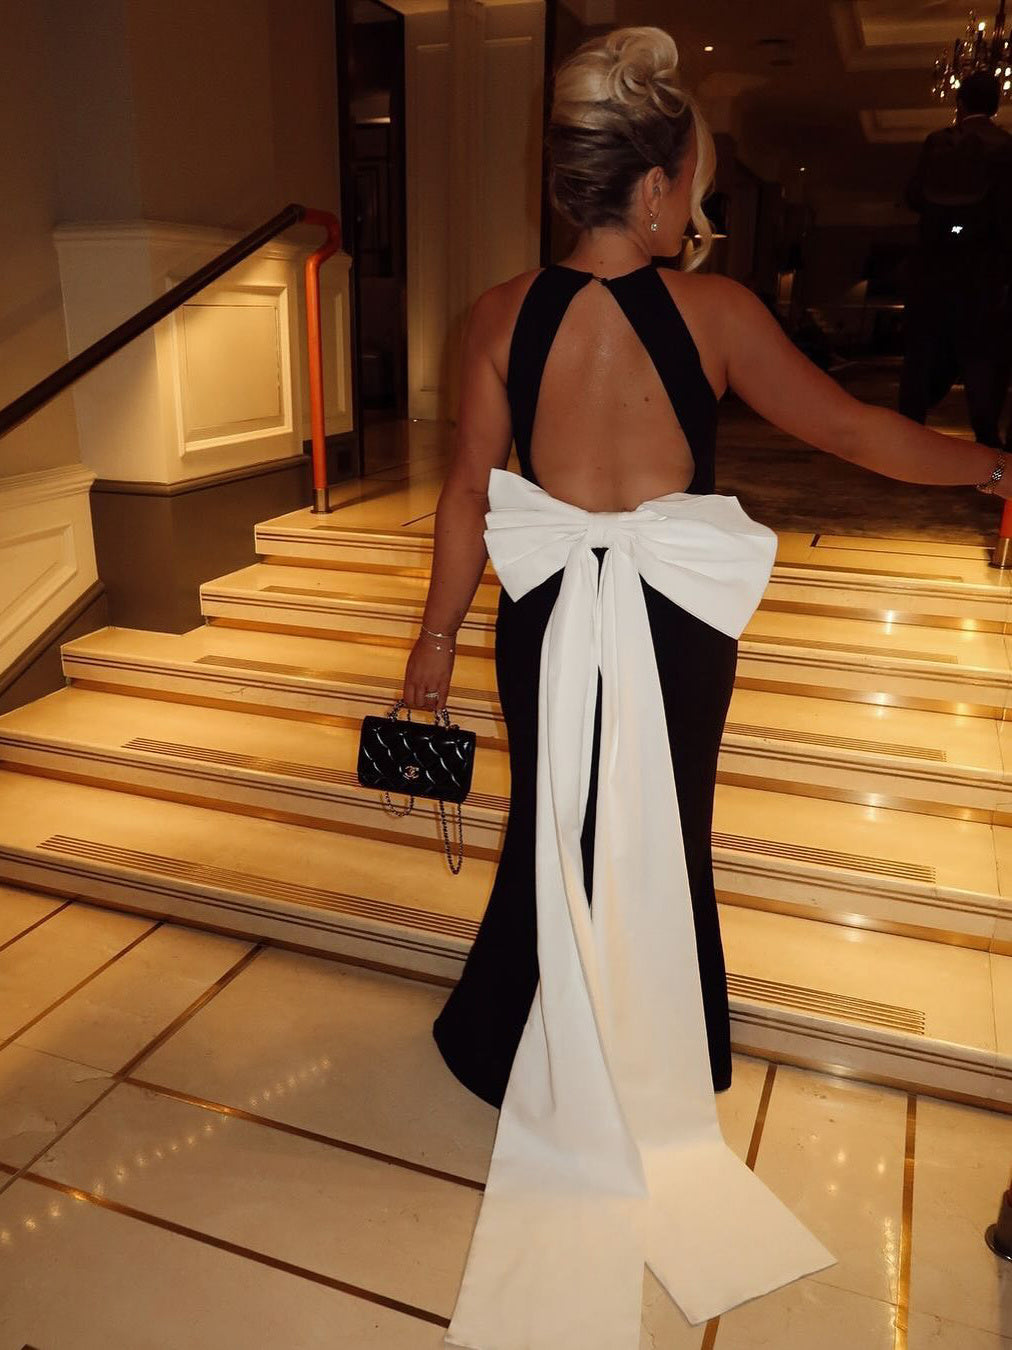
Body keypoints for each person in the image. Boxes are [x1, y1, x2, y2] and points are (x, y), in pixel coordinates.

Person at [397, 25, 1011, 1349]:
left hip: (545, 613)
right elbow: (850, 430)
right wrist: (987, 464)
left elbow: (463, 498)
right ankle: (661, 1043)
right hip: (674, 620)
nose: (698, 204)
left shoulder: (496, 315)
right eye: (695, 181)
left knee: (552, 828)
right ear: (654, 186)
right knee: (664, 830)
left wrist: (436, 639)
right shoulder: (713, 315)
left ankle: (507, 1034)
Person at [900, 69, 1012, 447]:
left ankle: (906, 441)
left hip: (933, 265)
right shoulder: (1006, 146)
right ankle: (989, 452)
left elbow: (914, 196)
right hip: (983, 270)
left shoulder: (938, 142)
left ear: (960, 104)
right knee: (982, 360)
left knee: (920, 355)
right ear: (996, 106)